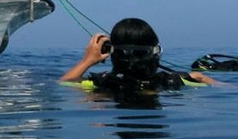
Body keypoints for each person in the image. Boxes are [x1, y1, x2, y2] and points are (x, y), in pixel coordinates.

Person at [60, 17, 216, 91]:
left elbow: (63, 83)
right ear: (156, 52)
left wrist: (86, 61)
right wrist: (198, 76)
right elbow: (209, 81)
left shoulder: (100, 83)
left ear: (110, 52)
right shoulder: (174, 81)